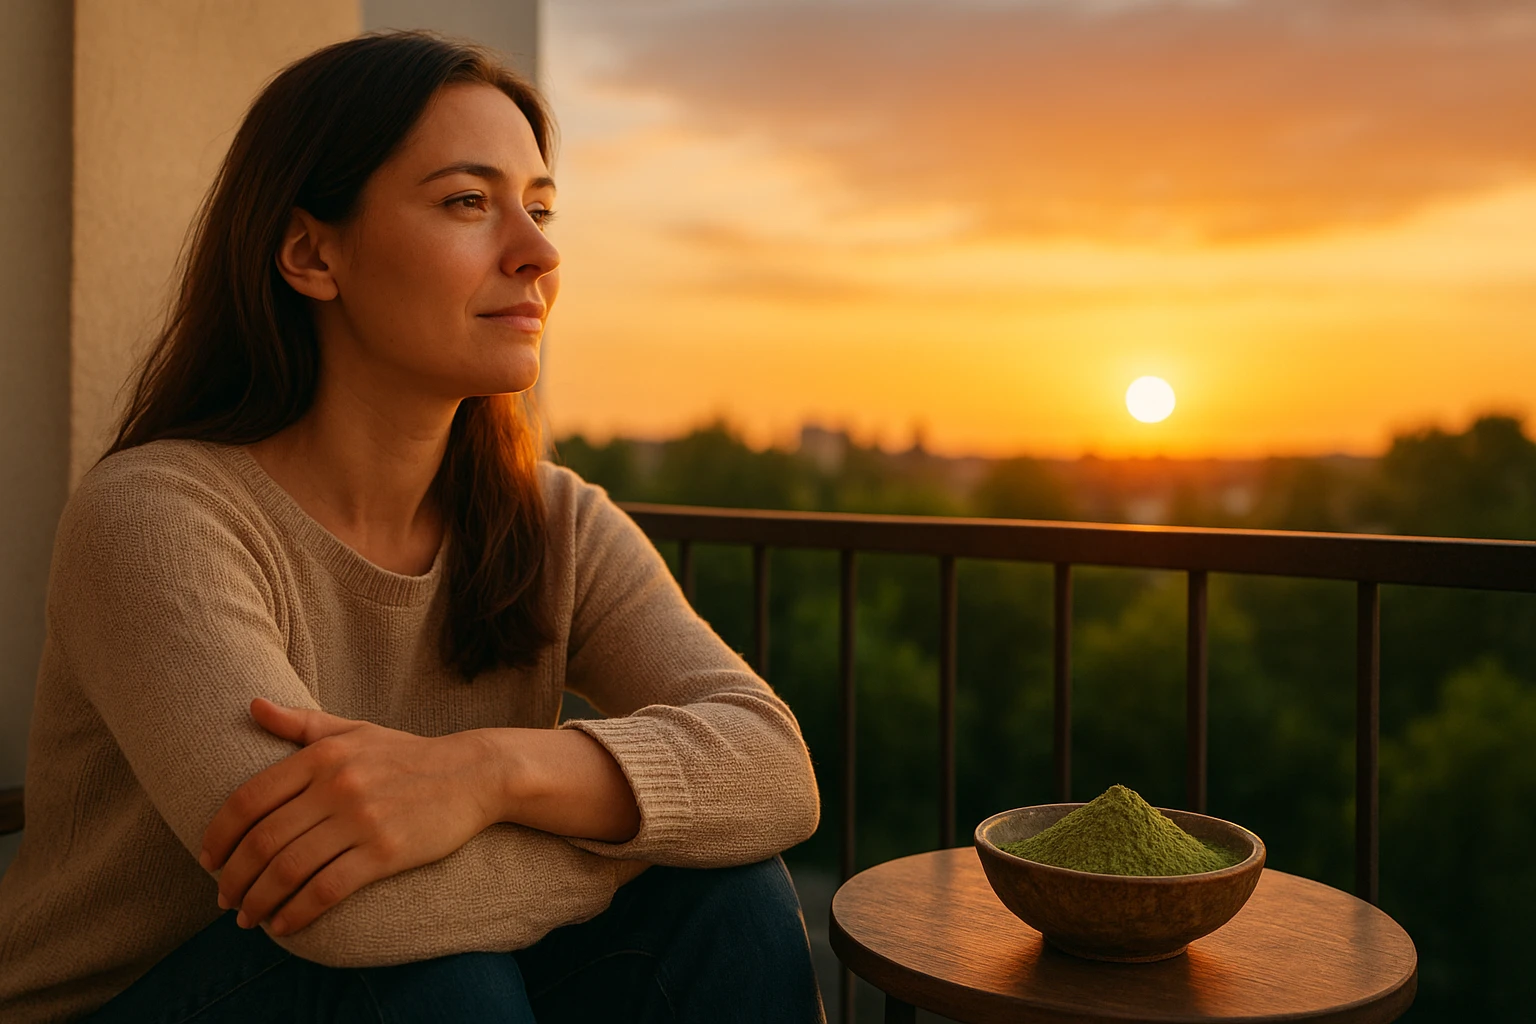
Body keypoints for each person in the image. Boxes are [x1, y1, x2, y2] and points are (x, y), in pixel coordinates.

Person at [0, 31, 825, 1023]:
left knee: (726, 902)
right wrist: (645, 828)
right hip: (130, 1002)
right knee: (433, 977)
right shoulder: (156, 518)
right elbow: (337, 913)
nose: (539, 252)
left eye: (542, 206)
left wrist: (484, 774)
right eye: (469, 203)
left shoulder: (553, 519)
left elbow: (772, 766)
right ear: (311, 253)